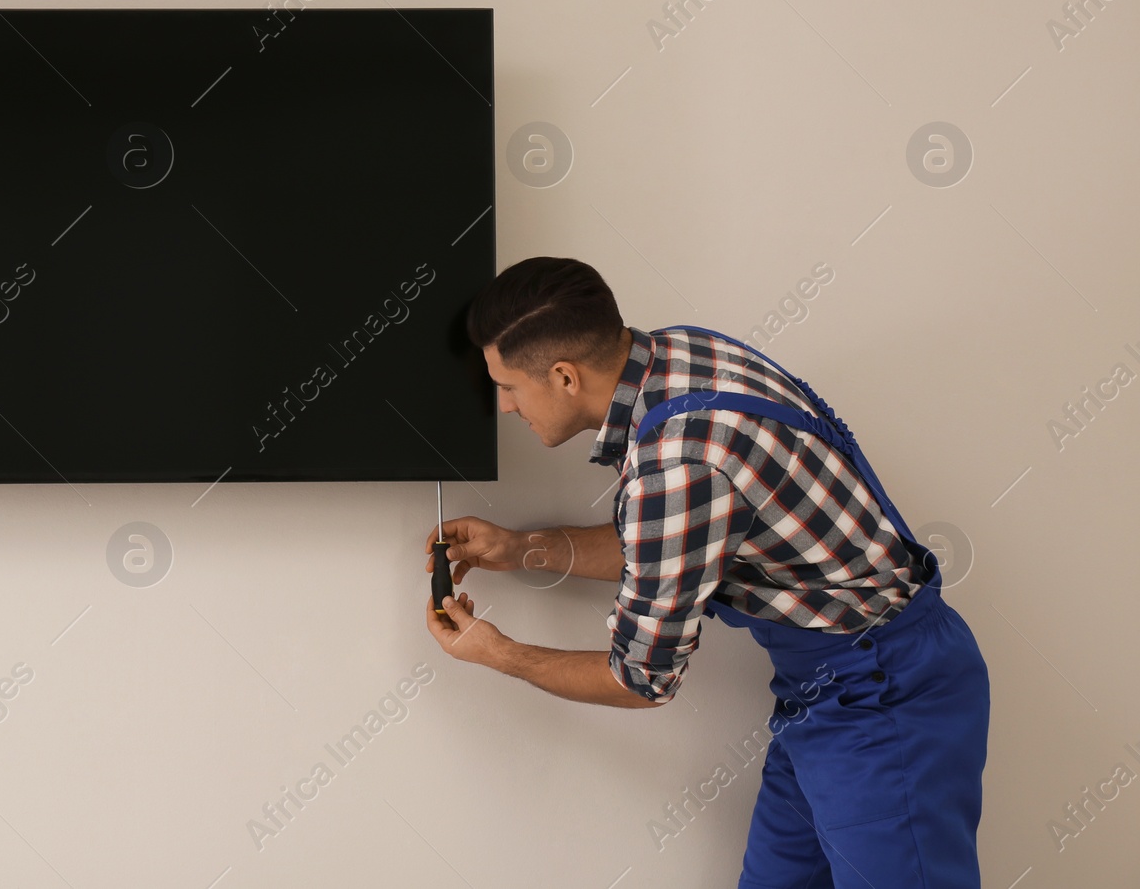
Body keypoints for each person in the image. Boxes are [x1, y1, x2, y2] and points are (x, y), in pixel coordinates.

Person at [424, 256, 990, 888]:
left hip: (886, 698)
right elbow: (679, 544)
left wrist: (496, 652)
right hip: (827, 696)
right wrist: (524, 548)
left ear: (562, 376)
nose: (502, 407)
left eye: (508, 387)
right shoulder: (677, 355)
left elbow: (640, 679)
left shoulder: (678, 463)